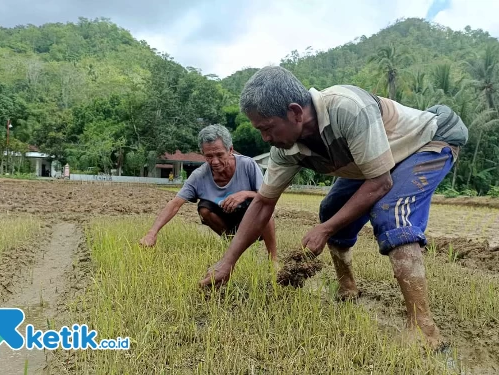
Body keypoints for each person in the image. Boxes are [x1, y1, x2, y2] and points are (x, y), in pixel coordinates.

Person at [198, 66, 468, 350]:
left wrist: (324, 231)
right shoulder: (284, 149)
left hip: (427, 141)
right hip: (377, 162)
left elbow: (380, 183)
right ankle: (347, 287)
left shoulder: (348, 109)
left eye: (266, 128)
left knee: (392, 213)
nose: (264, 137)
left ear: (295, 112)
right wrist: (227, 262)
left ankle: (424, 329)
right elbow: (263, 202)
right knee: (331, 209)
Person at [140, 124, 277, 261]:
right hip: (227, 221)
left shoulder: (248, 165)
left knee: (264, 206)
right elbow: (175, 203)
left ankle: (273, 259)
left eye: (219, 155)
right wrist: (152, 232)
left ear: (230, 150)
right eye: (209, 156)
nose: (215, 161)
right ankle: (233, 244)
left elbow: (267, 196)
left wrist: (245, 194)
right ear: (203, 154)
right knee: (204, 208)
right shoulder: (199, 176)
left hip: (253, 220)